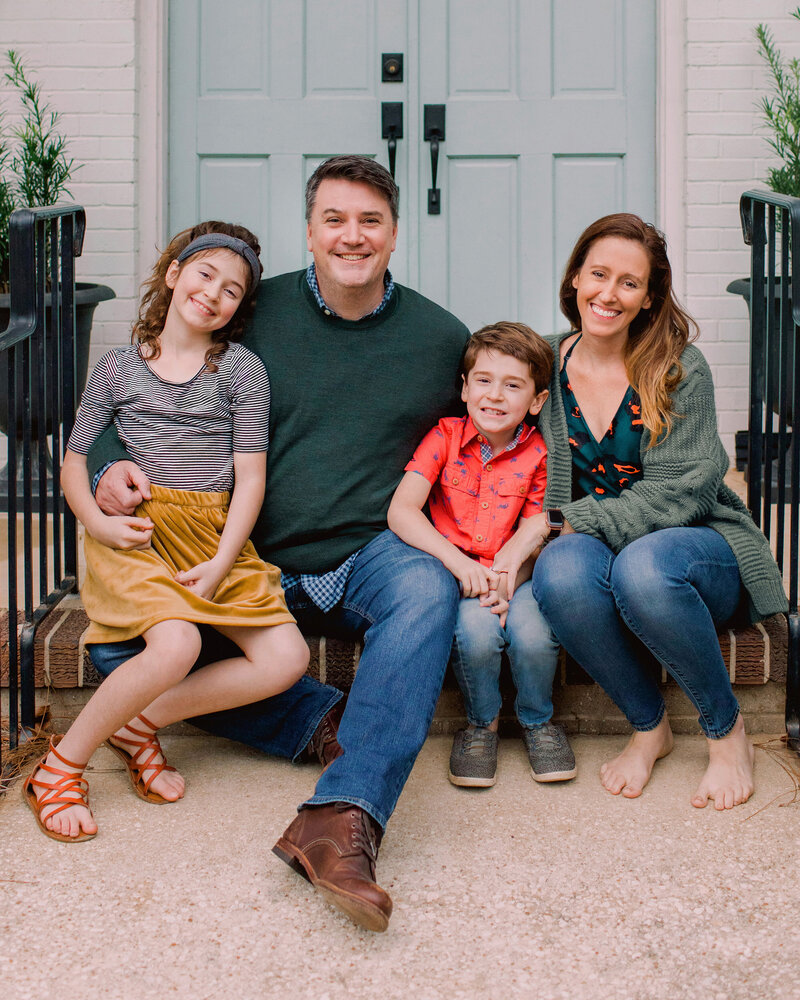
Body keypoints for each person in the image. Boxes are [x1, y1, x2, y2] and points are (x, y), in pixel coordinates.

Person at [86, 156, 470, 931]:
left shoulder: (439, 338)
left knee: (431, 592)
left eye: (369, 220)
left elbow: (484, 437)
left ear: (395, 233)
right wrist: (106, 467)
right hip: (247, 550)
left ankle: (339, 820)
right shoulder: (250, 312)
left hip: (370, 550)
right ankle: (319, 723)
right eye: (334, 219)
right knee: (118, 654)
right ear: (309, 229)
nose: (351, 236)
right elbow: (132, 391)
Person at [24, 221, 311, 843]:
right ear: (175, 273)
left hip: (213, 533)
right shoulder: (118, 366)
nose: (213, 292)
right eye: (205, 273)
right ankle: (60, 767)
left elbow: (250, 480)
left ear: (239, 308)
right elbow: (75, 464)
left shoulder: (242, 370)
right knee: (175, 644)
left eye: (232, 289)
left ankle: (135, 723)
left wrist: (223, 559)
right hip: (139, 532)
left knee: (288, 657)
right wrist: (98, 521)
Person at [492, 213, 788, 811]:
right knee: (563, 574)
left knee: (643, 568)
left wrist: (555, 524)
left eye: (629, 282)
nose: (609, 293)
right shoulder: (542, 363)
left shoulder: (679, 369)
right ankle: (650, 726)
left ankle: (727, 733)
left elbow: (685, 490)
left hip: (697, 549)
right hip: (599, 547)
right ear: (575, 277)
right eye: (598, 274)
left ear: (649, 296)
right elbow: (483, 414)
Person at [388, 322, 574, 788]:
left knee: (533, 634)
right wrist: (460, 566)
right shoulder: (444, 438)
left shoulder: (540, 454)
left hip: (520, 578)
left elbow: (537, 534)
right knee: (474, 635)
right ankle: (481, 726)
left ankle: (538, 721)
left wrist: (510, 580)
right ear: (466, 388)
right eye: (485, 381)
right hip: (461, 576)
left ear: (535, 401)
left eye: (513, 385)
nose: (495, 395)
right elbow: (402, 511)